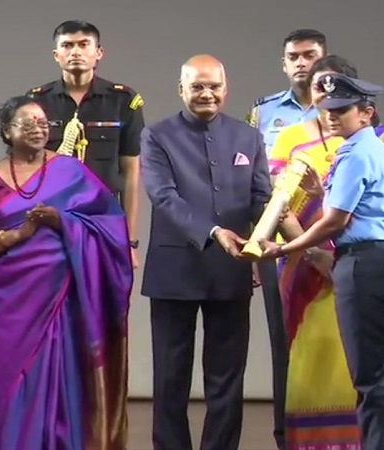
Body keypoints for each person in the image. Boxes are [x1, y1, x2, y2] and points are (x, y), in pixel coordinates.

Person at [269, 56, 384, 448]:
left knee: (370, 379)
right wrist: (316, 193)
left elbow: (335, 222)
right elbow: (361, 205)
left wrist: (287, 246)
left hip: (365, 265)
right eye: (326, 109)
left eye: (341, 110)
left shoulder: (353, 153)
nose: (330, 116)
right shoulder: (378, 148)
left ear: (366, 112)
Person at [0, 96, 133, 450]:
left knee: (65, 376)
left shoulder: (71, 171)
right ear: (7, 131)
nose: (39, 129)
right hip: (10, 301)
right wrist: (17, 235)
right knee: (15, 385)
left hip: (63, 299)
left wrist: (63, 221)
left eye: (43, 123)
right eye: (28, 124)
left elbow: (111, 224)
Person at [140, 54, 271, 450]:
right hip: (173, 271)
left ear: (226, 90)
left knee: (227, 378)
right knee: (170, 378)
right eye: (197, 86)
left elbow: (261, 198)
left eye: (214, 86)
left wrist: (274, 229)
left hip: (232, 271)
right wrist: (214, 231)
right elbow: (163, 197)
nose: (206, 93)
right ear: (181, 89)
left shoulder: (249, 137)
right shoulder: (157, 135)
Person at [245, 29, 328, 449]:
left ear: (323, 59)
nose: (301, 63)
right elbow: (253, 181)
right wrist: (256, 241)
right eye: (293, 56)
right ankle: (286, 435)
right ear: (283, 63)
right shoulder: (263, 113)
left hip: (333, 238)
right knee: (285, 341)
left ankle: (335, 432)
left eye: (309, 55)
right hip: (279, 245)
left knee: (334, 339)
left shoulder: (343, 108)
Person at [25, 20, 144, 268]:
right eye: (67, 46)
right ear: (56, 55)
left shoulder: (123, 100)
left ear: (98, 53)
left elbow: (131, 172)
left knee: (104, 301)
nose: (76, 52)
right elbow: (24, 168)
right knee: (51, 300)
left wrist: (130, 241)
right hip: (50, 217)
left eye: (83, 45)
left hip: (103, 218)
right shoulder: (36, 101)